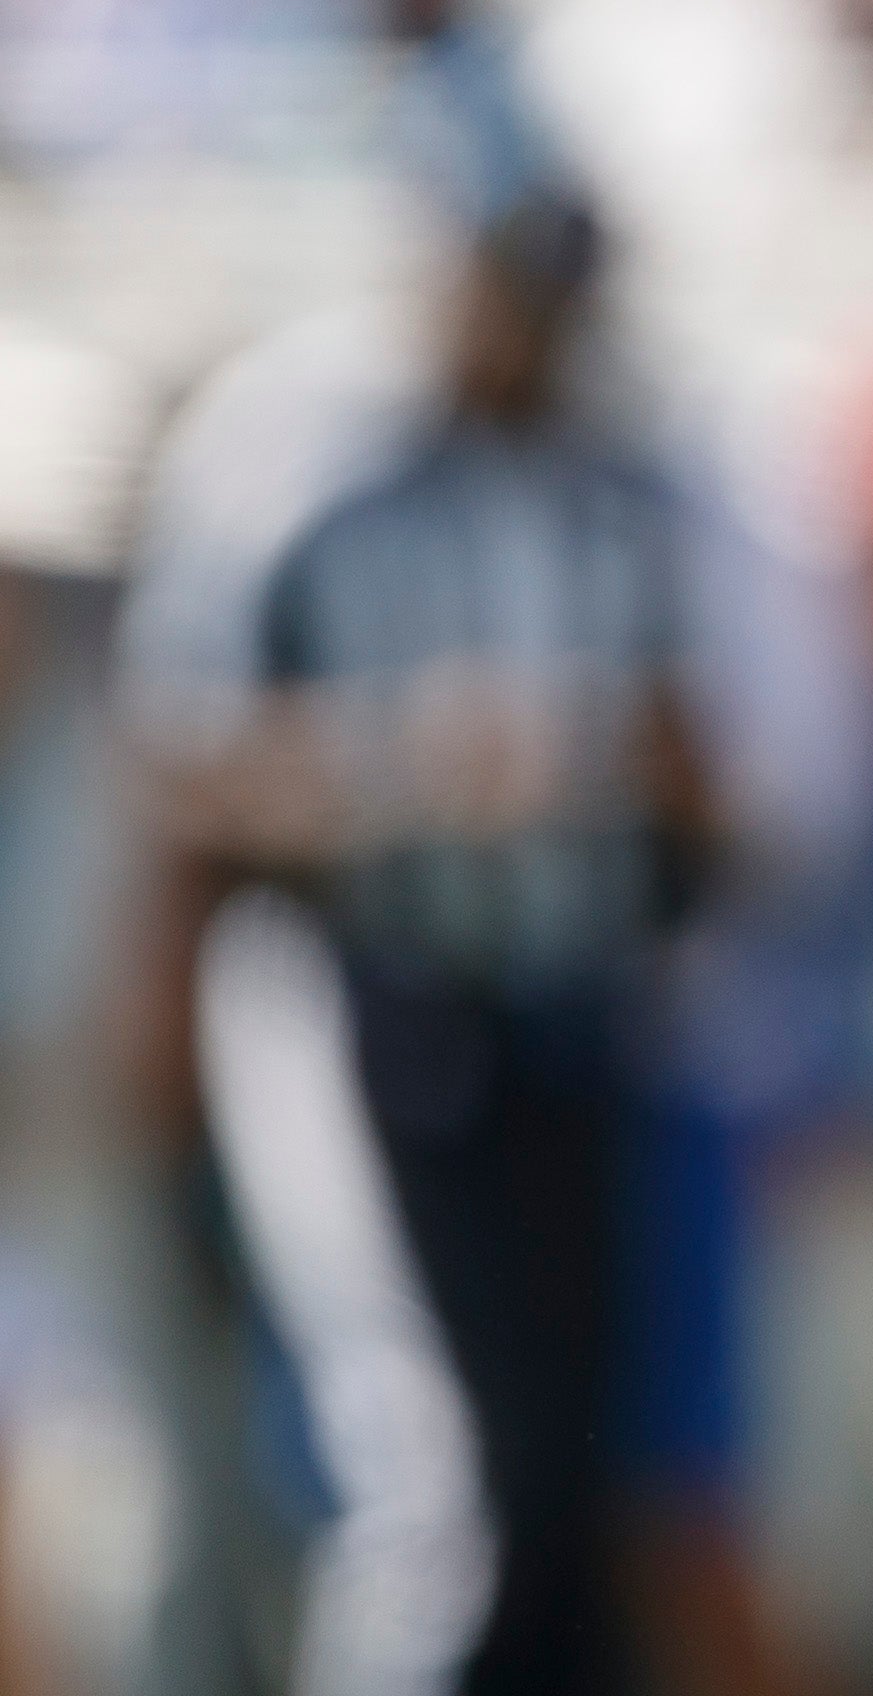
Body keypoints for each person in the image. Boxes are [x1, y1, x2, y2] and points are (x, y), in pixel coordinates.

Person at [128, 176, 723, 1696]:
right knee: (427, 1494)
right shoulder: (297, 461)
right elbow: (179, 762)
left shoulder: (615, 471)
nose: (533, 332)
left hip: (573, 1019)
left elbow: (704, 789)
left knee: (570, 1493)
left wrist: (665, 783)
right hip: (357, 1005)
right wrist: (402, 769)